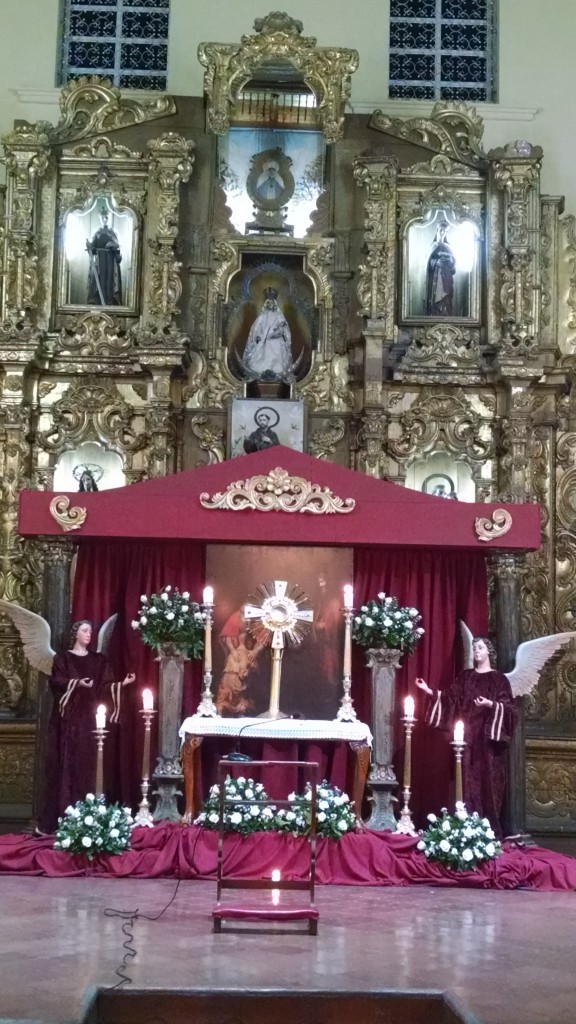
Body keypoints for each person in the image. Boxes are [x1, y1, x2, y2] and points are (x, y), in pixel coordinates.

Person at [38, 620, 135, 833]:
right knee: (70, 766)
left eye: (91, 631)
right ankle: (67, 815)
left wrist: (122, 685)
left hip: (93, 722)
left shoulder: (98, 660)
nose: (89, 634)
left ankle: (91, 815)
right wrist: (76, 683)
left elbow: (105, 686)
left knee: (91, 766)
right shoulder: (62, 659)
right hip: (71, 723)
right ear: (75, 634)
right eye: (84, 630)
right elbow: (56, 682)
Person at [415, 637, 516, 835]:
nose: (476, 651)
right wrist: (429, 690)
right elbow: (450, 697)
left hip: (488, 743)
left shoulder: (499, 679)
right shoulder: (466, 676)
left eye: (480, 647)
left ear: (489, 651)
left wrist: (490, 704)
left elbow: (510, 710)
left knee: (488, 784)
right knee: (465, 782)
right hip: (467, 738)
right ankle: (465, 826)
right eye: (474, 648)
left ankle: (487, 831)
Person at [242, 289, 293, 380]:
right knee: (261, 357)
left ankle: (277, 371)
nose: (271, 305)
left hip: (276, 341)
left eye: (272, 303)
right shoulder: (262, 316)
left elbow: (285, 329)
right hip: (263, 341)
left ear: (275, 304)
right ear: (266, 304)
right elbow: (256, 328)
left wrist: (281, 333)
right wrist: (257, 336)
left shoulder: (279, 316)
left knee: (277, 357)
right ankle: (260, 370)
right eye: (269, 303)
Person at [215, 631, 265, 716]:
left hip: (240, 697)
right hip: (231, 696)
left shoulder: (245, 656)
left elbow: (251, 680)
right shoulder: (241, 656)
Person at [86, 208, 122, 306]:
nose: (104, 219)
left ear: (109, 218)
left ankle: (110, 302)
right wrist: (90, 246)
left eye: (106, 217)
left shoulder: (113, 233)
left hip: (110, 262)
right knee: (98, 281)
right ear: (100, 218)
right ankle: (98, 302)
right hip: (99, 262)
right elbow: (92, 250)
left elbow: (118, 252)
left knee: (110, 282)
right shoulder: (96, 233)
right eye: (102, 218)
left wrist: (114, 245)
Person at [425, 218, 456, 316]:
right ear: (437, 231)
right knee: (436, 298)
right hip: (435, 277)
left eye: (445, 231)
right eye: (441, 230)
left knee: (446, 297)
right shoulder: (433, 246)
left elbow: (453, 267)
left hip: (446, 277)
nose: (443, 233)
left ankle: (445, 314)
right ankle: (434, 314)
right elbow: (427, 262)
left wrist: (450, 260)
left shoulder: (448, 247)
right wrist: (436, 262)